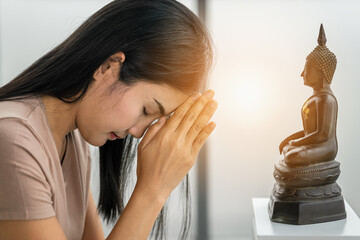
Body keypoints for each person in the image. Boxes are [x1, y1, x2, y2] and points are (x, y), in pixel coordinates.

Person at [0, 1, 217, 239]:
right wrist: (153, 189)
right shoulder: (13, 139)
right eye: (146, 110)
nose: (138, 133)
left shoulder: (73, 139)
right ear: (109, 66)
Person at [278, 24, 337, 167]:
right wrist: (290, 139)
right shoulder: (317, 97)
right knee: (288, 150)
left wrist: (296, 143)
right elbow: (309, 131)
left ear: (321, 72)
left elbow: (322, 135)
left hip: (325, 147)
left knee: (292, 156)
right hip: (314, 144)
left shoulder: (325, 99)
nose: (302, 74)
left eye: (306, 69)